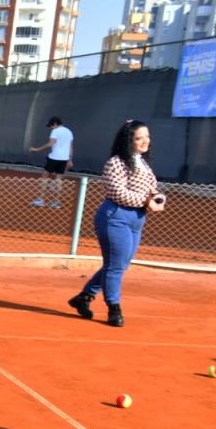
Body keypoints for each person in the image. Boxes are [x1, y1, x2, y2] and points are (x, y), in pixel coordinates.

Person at [67, 120, 165, 328]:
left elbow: (149, 189)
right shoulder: (115, 162)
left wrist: (156, 197)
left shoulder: (142, 162)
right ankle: (114, 308)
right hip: (115, 217)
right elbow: (117, 192)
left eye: (147, 137)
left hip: (137, 219)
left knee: (119, 264)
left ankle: (84, 297)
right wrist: (147, 201)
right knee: (116, 266)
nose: (145, 141)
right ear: (128, 140)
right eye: (139, 138)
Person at [28, 116, 74, 209]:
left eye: (51, 125)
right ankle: (56, 202)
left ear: (55, 123)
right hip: (64, 159)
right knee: (58, 179)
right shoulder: (69, 132)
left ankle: (41, 200)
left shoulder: (55, 131)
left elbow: (50, 144)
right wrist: (70, 159)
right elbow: (70, 147)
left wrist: (36, 149)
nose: (51, 127)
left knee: (45, 177)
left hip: (54, 157)